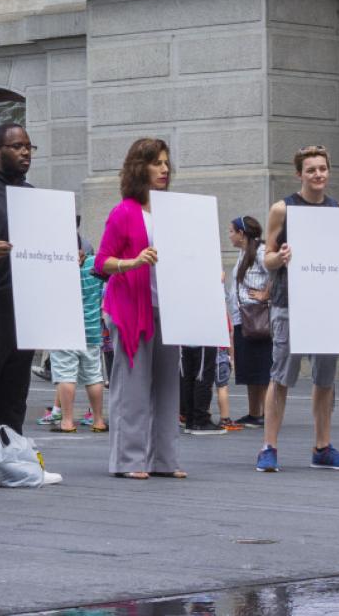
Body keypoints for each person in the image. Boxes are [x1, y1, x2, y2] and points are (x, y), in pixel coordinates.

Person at [0, 123, 61, 488]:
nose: (25, 153)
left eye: (29, 147)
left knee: (15, 387)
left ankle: (11, 456)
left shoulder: (32, 196)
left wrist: (70, 251)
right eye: (17, 147)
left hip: (24, 303)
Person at [257, 145, 339, 472]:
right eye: (311, 169)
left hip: (326, 306)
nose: (318, 174)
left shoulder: (338, 209)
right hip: (289, 304)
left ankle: (322, 446)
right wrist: (281, 258)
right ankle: (269, 447)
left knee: (325, 379)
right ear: (299, 174)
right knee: (281, 376)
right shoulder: (283, 210)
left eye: (323, 169)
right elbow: (266, 258)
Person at [95, 137, 185, 480]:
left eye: (166, 162)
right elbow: (102, 261)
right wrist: (132, 262)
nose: (164, 169)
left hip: (169, 307)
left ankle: (164, 459)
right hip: (131, 307)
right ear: (140, 168)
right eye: (156, 163)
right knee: (131, 387)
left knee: (167, 387)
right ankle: (129, 460)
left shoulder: (172, 211)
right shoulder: (123, 212)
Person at [47, 225, 108, 436]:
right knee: (94, 376)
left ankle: (66, 421)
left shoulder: (54, 266)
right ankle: (99, 420)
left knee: (66, 376)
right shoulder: (94, 264)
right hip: (91, 329)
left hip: (63, 329)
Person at [228, 216, 271, 427]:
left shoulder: (261, 252)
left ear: (242, 233)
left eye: (232, 231)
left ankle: (264, 412)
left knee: (260, 367)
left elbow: (278, 273)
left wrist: (265, 294)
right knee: (249, 367)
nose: (230, 235)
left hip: (256, 316)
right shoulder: (243, 253)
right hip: (243, 317)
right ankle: (254, 412)